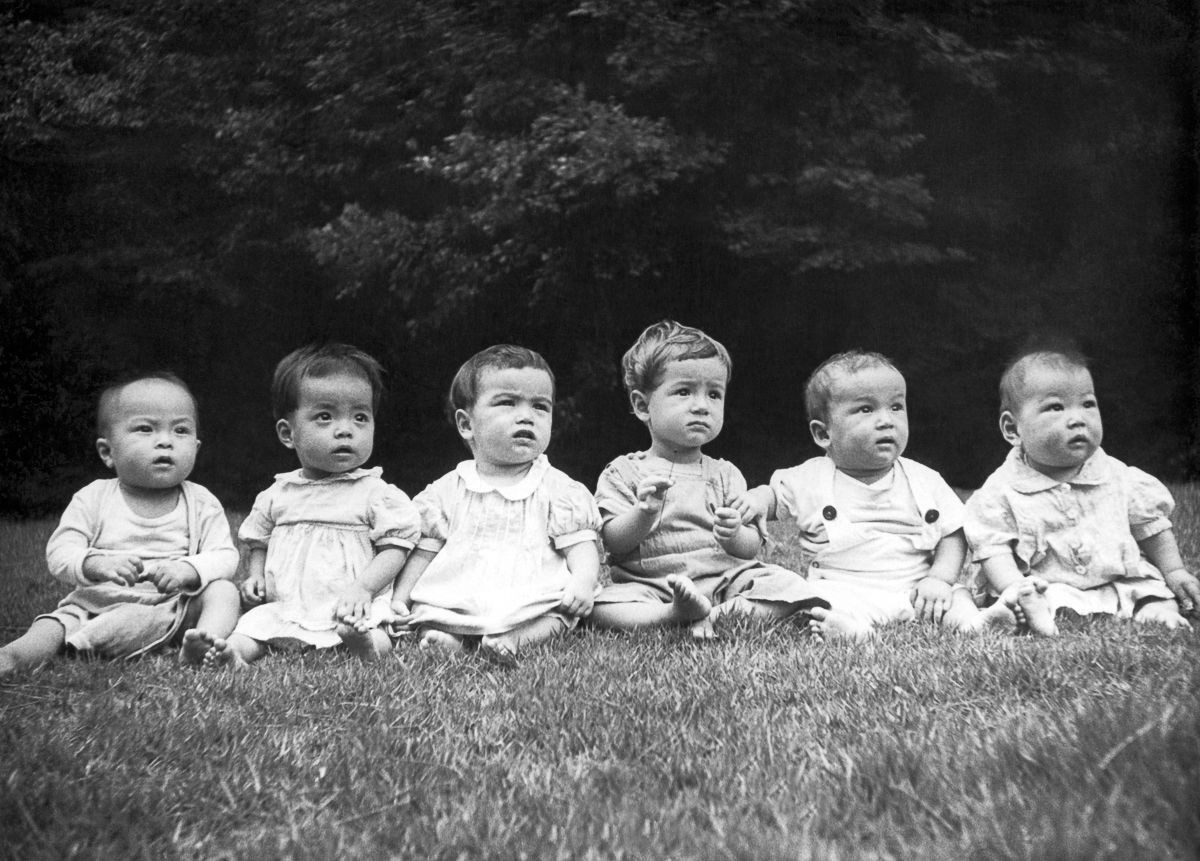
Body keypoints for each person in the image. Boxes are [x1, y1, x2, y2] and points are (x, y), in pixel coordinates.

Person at [743, 350, 1050, 641]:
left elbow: (953, 531)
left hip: (916, 588)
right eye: (866, 409)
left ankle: (978, 623)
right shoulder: (809, 478)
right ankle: (853, 630)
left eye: (896, 407)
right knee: (821, 600)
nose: (886, 419)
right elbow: (772, 496)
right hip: (845, 586)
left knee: (957, 596)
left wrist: (939, 579)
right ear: (824, 434)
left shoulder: (924, 479)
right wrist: (756, 500)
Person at [589, 320, 827, 638]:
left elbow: (750, 548)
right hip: (651, 584)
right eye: (684, 392)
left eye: (714, 394)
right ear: (642, 406)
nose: (702, 405)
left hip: (726, 579)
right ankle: (670, 613)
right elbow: (614, 542)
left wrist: (733, 534)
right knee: (598, 606)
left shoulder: (725, 474)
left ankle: (716, 614)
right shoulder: (622, 473)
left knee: (790, 586)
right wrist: (643, 512)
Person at [0, 373, 241, 677]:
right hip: (96, 606)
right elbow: (60, 552)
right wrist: (94, 564)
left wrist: (188, 569)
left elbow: (225, 555)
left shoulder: (202, 502)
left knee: (223, 592)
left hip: (171, 609)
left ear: (196, 446)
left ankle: (203, 644)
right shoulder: (94, 498)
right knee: (54, 624)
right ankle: (14, 655)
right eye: (145, 429)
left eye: (180, 430)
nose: (165, 440)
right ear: (107, 452)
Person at [198, 343, 421, 667]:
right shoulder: (279, 493)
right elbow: (258, 540)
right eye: (325, 416)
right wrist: (255, 576)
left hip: (351, 604)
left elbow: (396, 547)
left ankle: (366, 645)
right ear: (288, 434)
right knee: (255, 625)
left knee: (375, 623)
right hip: (287, 603)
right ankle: (232, 652)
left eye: (360, 417)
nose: (345, 429)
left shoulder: (375, 492)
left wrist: (363, 588)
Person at [964, 343, 1200, 633]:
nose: (1078, 418)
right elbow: (993, 550)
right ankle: (1028, 609)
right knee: (1032, 600)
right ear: (1013, 430)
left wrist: (1174, 570)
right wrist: (1014, 586)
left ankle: (1156, 612)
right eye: (1056, 407)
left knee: (1151, 591)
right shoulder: (1000, 491)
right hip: (1050, 585)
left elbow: (1151, 527)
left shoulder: (1120, 477)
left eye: (1088, 404)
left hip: (1118, 580)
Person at [389, 345, 601, 665]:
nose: (526, 415)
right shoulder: (447, 490)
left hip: (532, 594)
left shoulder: (558, 488)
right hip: (462, 592)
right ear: (466, 424)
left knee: (560, 613)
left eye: (540, 407)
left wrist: (583, 581)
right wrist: (399, 600)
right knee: (433, 611)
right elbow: (425, 551)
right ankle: (448, 639)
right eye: (507, 403)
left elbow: (581, 545)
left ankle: (512, 639)